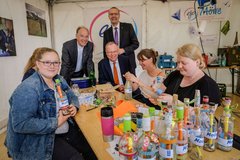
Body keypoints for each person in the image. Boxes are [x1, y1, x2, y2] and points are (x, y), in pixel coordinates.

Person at [5, 47, 85, 160]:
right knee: (75, 158)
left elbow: (72, 95)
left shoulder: (58, 79)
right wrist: (57, 122)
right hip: (40, 139)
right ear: (37, 63)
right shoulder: (28, 89)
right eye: (47, 62)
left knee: (90, 147)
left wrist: (74, 106)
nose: (52, 66)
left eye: (56, 62)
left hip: (63, 129)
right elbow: (21, 124)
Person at [155, 43, 221, 106]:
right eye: (178, 62)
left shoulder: (209, 86)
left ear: (197, 62)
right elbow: (160, 90)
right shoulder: (175, 75)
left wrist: (174, 102)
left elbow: (206, 113)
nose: (179, 66)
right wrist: (156, 95)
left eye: (184, 63)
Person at [103, 7, 139, 74]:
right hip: (113, 65)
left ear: (119, 15)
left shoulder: (128, 27)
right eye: (111, 14)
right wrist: (106, 66)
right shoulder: (106, 33)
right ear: (108, 16)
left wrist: (123, 50)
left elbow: (136, 44)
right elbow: (105, 51)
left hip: (129, 63)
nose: (113, 16)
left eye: (116, 14)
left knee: (131, 83)